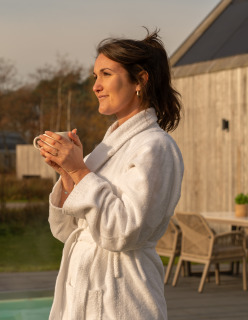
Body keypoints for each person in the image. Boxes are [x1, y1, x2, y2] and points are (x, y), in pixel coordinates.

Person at [36, 29, 184, 319]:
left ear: (141, 79)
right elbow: (68, 232)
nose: (96, 86)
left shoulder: (155, 147)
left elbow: (123, 233)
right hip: (85, 294)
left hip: (123, 297)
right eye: (95, 77)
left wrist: (79, 169)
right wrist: (68, 175)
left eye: (105, 74)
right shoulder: (105, 151)